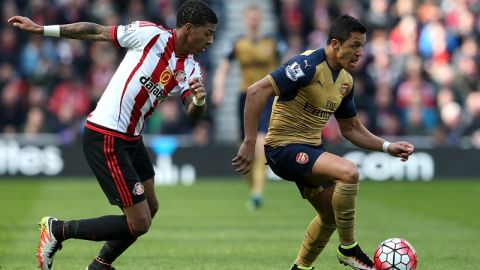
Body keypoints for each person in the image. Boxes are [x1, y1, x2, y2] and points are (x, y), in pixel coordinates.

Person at [8, 1, 217, 269]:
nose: (211, 41)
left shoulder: (190, 69)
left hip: (132, 139)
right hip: (106, 133)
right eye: (208, 32)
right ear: (189, 29)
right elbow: (95, 31)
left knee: (150, 208)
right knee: (139, 222)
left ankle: (99, 265)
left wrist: (199, 101)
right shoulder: (149, 35)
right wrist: (42, 30)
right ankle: (57, 230)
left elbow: (192, 110)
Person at [232, 15, 414, 270]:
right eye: (355, 45)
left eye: (363, 46)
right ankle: (348, 247)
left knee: (329, 217)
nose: (360, 52)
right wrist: (250, 142)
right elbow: (255, 91)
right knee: (349, 172)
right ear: (336, 44)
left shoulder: (346, 81)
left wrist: (386, 146)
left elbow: (351, 129)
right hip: (282, 149)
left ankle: (300, 268)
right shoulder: (306, 65)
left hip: (309, 149)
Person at [212, 5, 283, 210]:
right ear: (245, 20)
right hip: (245, 98)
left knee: (261, 141)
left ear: (260, 19)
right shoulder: (237, 43)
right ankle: (253, 188)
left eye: (256, 18)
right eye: (250, 18)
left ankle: (258, 191)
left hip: (268, 97)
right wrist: (218, 89)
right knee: (243, 146)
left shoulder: (273, 42)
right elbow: (224, 67)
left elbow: (285, 66)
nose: (253, 21)